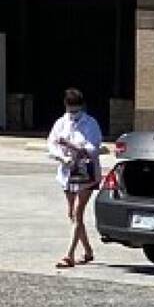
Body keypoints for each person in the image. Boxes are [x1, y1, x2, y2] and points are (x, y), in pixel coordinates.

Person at [45, 88, 105, 269]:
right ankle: (87, 251)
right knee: (72, 213)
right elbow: (51, 144)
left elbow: (94, 148)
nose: (73, 115)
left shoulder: (90, 123)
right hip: (67, 171)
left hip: (86, 173)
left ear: (82, 107)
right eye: (71, 110)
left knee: (78, 212)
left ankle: (69, 255)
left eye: (76, 110)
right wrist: (62, 157)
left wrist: (72, 146)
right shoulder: (61, 123)